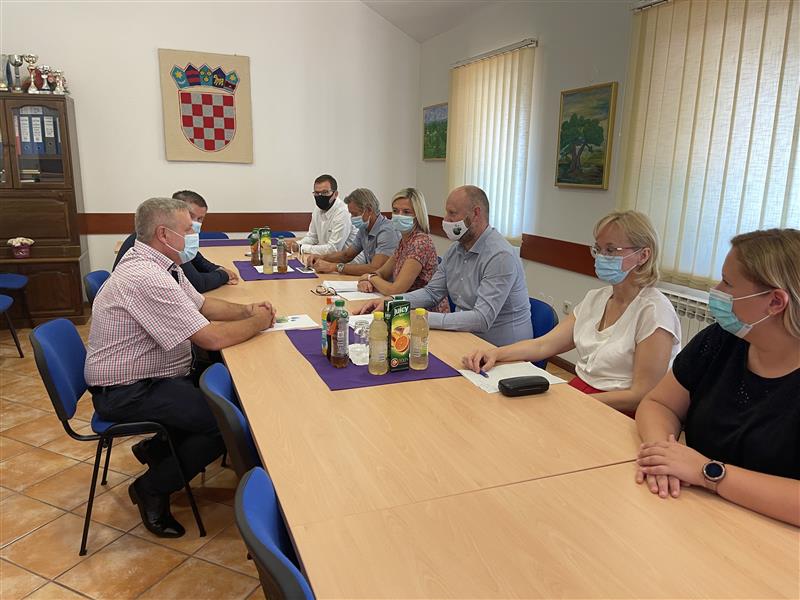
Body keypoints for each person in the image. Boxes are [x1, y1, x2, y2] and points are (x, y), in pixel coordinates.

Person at [85, 197, 276, 538]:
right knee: (224, 424)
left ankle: (158, 449)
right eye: (188, 229)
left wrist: (247, 311)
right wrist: (259, 323)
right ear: (164, 234)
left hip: (152, 377)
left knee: (222, 397)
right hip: (127, 391)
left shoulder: (161, 264)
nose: (194, 235)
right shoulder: (146, 276)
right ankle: (151, 488)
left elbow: (202, 305)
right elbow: (210, 338)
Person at [635, 228, 799, 527]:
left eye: (727, 282)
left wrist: (708, 472)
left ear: (776, 302)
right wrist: (663, 455)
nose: (716, 289)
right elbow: (659, 404)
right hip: (694, 512)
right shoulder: (720, 340)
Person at [463, 210, 681, 417]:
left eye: (611, 250)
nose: (601, 257)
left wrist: (576, 401)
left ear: (643, 255)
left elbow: (641, 395)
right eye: (598, 249)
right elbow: (543, 345)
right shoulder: (596, 299)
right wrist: (496, 354)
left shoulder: (655, 312)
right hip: (581, 395)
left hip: (618, 410)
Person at [358, 185, 531, 347]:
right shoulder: (455, 250)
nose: (446, 220)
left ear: (476, 214)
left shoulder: (500, 256)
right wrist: (393, 302)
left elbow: (481, 319)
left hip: (502, 350)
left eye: (452, 213)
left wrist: (420, 317)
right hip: (464, 338)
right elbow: (432, 292)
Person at [113, 190, 239, 293]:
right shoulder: (160, 242)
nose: (194, 223)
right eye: (190, 216)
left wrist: (217, 269)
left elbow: (196, 259)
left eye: (200, 219)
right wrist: (223, 275)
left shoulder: (172, 238)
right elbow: (197, 284)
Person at [356, 187, 449, 313]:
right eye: (395, 211)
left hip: (424, 313)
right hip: (402, 307)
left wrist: (369, 278)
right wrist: (368, 280)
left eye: (406, 212)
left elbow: (396, 290)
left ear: (418, 215)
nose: (399, 216)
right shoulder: (404, 241)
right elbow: (381, 273)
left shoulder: (421, 243)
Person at [306, 188, 400, 276]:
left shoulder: (387, 231)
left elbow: (375, 268)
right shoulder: (364, 229)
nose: (352, 218)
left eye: (355, 214)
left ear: (369, 210)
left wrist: (334, 267)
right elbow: (346, 255)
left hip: (389, 284)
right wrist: (321, 257)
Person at [284, 174, 357, 256]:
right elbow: (312, 237)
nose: (320, 196)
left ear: (335, 194)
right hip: (329, 258)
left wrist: (300, 247)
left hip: (349, 261)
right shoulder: (318, 209)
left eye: (325, 192)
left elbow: (333, 249)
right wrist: (296, 244)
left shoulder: (343, 212)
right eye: (317, 193)